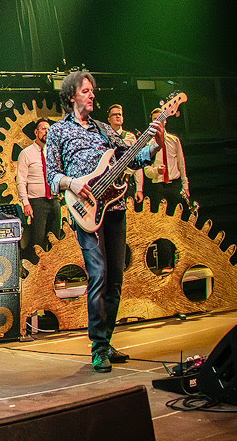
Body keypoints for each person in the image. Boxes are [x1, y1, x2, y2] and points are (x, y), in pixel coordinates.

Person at [45, 71, 158, 373]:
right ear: (71, 96)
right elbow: (52, 175)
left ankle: (105, 341)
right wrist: (71, 182)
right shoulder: (58, 131)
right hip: (85, 211)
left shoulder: (105, 129)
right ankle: (98, 348)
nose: (92, 94)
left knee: (116, 278)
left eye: (93, 91)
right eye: (86, 91)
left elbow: (131, 159)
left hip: (115, 207)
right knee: (98, 274)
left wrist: (154, 145)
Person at [17, 118, 61, 257]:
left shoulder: (53, 153)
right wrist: (26, 203)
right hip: (37, 202)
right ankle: (36, 268)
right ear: (36, 132)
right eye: (43, 129)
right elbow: (21, 181)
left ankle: (55, 269)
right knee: (38, 241)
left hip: (54, 200)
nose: (46, 132)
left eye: (49, 129)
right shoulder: (26, 153)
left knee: (55, 239)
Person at [143, 108, 189, 212]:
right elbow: (147, 171)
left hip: (174, 185)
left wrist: (185, 186)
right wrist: (157, 171)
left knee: (176, 216)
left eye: (161, 118)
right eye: (155, 119)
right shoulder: (149, 144)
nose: (158, 121)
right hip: (158, 187)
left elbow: (181, 164)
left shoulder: (174, 140)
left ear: (165, 120)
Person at [107, 103, 145, 206]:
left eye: (119, 114)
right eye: (114, 114)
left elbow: (137, 163)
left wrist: (139, 188)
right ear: (109, 119)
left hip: (127, 181)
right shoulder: (105, 137)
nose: (117, 116)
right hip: (110, 182)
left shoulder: (130, 137)